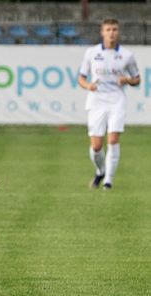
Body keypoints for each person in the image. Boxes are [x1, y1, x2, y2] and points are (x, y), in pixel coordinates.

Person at [78, 18, 140, 190]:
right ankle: (100, 171)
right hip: (96, 100)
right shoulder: (91, 53)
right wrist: (88, 85)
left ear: (118, 32)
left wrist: (127, 80)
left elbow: (137, 79)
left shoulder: (127, 55)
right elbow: (81, 78)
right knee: (96, 146)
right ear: (102, 32)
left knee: (113, 140)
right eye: (108, 29)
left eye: (114, 29)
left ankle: (108, 181)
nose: (112, 32)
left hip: (116, 100)